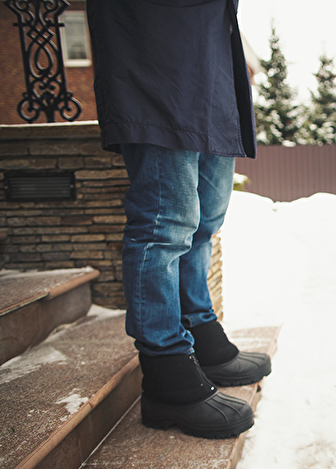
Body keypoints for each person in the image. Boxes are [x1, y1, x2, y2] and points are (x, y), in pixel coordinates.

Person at [87, 0, 270, 439]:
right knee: (164, 224)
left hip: (212, 66)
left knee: (206, 221)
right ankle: (166, 369)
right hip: (156, 60)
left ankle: (198, 329)